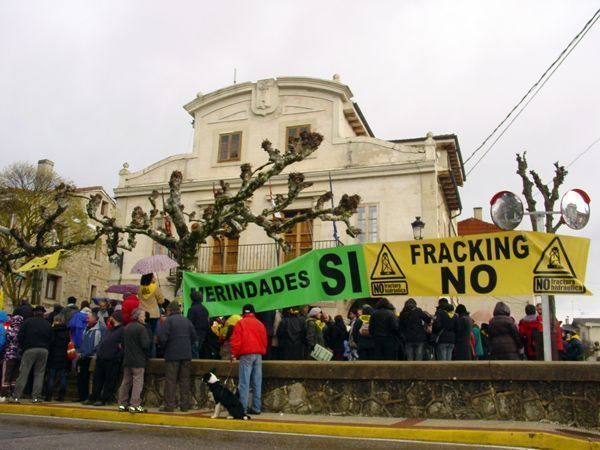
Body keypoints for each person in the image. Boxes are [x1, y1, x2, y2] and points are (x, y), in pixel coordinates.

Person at [157, 301, 196, 412]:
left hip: (172, 355)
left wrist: (165, 347)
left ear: (170, 310)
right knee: (184, 380)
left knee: (171, 381)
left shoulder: (168, 321)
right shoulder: (186, 320)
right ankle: (185, 405)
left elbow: (163, 338)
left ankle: (169, 405)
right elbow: (194, 337)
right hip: (186, 354)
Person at [9, 305, 53, 403]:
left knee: (24, 373)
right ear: (43, 313)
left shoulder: (27, 322)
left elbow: (20, 336)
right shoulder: (48, 324)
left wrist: (24, 346)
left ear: (34, 312)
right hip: (44, 350)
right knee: (39, 374)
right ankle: (36, 397)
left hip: (29, 349)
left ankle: (16, 396)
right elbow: (51, 339)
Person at [230, 304, 267, 415]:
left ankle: (243, 408)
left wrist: (233, 354)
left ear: (243, 312)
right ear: (253, 312)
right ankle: (256, 408)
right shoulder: (260, 324)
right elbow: (264, 340)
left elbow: (236, 340)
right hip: (258, 354)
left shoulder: (241, 323)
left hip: (246, 354)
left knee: (244, 382)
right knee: (257, 382)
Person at [88, 311, 125, 406]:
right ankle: (94, 397)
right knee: (97, 379)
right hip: (102, 358)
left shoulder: (122, 330)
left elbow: (122, 347)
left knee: (109, 381)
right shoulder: (110, 330)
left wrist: (117, 356)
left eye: (111, 318)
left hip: (112, 359)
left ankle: (104, 398)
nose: (109, 320)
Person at [118, 308, 151, 413]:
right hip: (138, 360)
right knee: (137, 383)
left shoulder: (127, 327)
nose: (144, 317)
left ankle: (122, 404)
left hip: (127, 359)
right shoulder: (141, 328)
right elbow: (145, 345)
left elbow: (122, 344)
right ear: (138, 317)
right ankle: (135, 404)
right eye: (143, 315)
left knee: (126, 382)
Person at [77, 311, 106, 403]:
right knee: (82, 377)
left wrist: (93, 352)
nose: (87, 319)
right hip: (84, 356)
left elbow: (100, 343)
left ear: (94, 318)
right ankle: (82, 396)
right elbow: (82, 341)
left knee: (92, 379)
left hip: (93, 357)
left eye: (88, 317)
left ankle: (91, 396)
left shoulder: (100, 329)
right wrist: (80, 352)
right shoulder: (86, 328)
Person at [138, 273, 165, 357]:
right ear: (150, 278)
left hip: (142, 314)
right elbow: (161, 301)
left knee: (142, 335)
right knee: (152, 336)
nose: (155, 278)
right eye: (153, 276)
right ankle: (151, 356)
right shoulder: (155, 287)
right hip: (153, 314)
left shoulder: (139, 288)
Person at [45, 315, 70, 402]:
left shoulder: (52, 331)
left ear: (55, 321)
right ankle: (62, 396)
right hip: (64, 356)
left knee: (51, 376)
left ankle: (48, 396)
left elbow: (50, 343)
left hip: (53, 356)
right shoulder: (67, 331)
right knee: (63, 377)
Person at [1, 315, 24, 397]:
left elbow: (5, 343)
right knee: (15, 377)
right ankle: (14, 395)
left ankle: (3, 395)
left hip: (9, 356)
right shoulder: (23, 332)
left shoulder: (10, 332)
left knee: (6, 376)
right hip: (19, 357)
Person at [187, 290, 209, 359]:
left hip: (194, 334)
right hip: (202, 334)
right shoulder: (205, 309)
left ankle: (195, 368)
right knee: (196, 351)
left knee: (193, 353)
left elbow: (189, 324)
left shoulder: (192, 309)